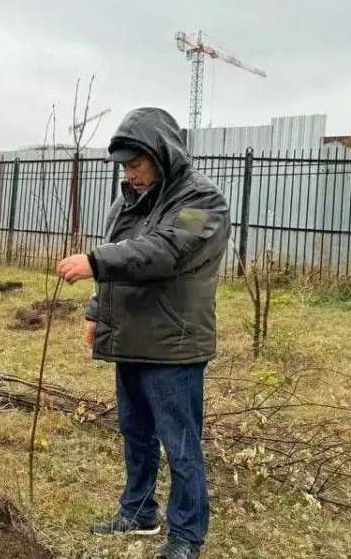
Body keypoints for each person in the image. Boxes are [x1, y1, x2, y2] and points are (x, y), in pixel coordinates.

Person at [57, 108, 229, 559]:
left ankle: (187, 537)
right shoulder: (129, 200)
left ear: (162, 155)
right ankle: (138, 512)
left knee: (181, 444)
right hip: (132, 336)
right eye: (125, 165)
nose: (130, 174)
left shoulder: (201, 204)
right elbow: (119, 253)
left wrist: (93, 261)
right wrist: (97, 309)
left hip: (173, 344)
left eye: (137, 164)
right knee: (135, 432)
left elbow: (166, 251)